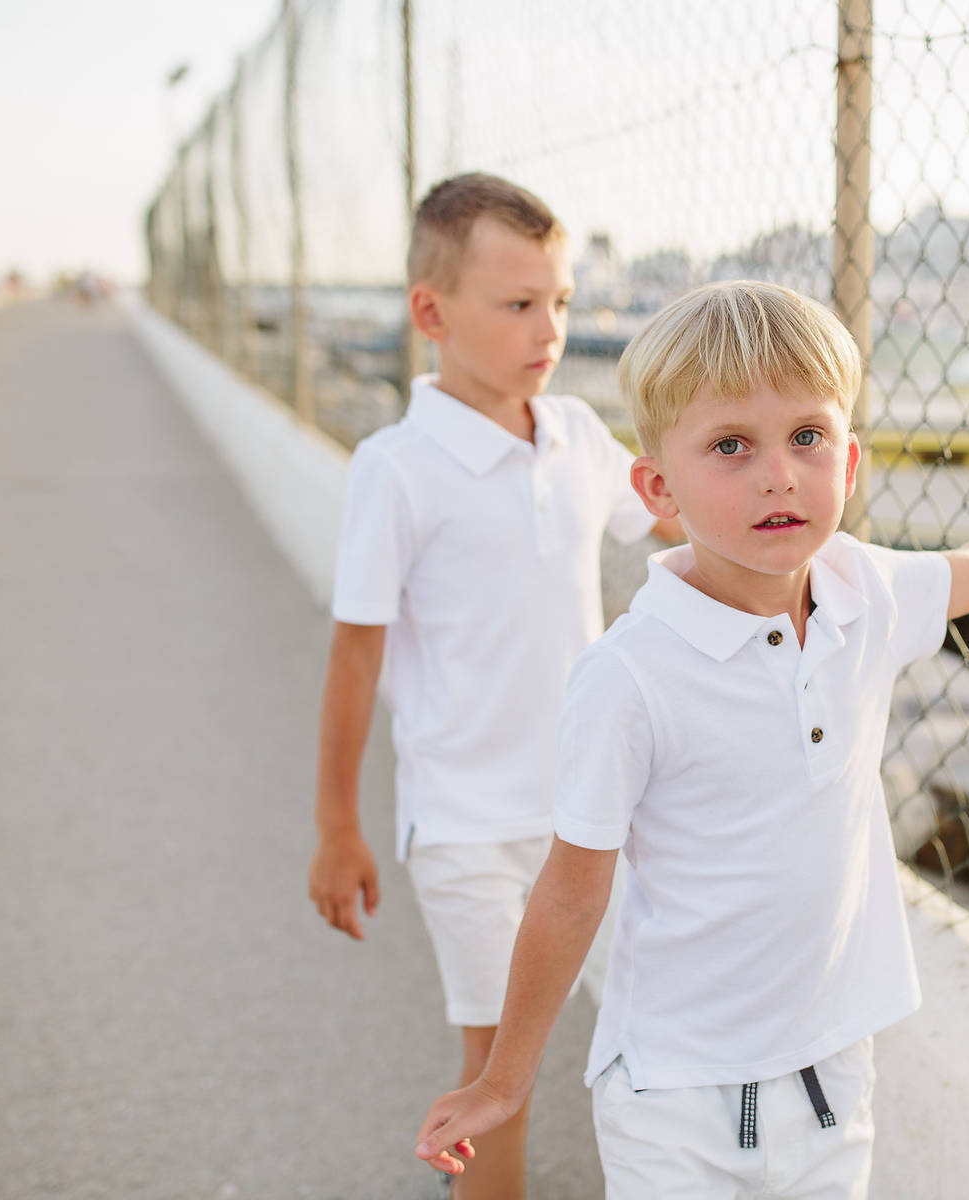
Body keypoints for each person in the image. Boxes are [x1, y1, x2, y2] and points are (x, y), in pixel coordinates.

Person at [413, 279, 969, 1197]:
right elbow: (571, 895)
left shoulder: (867, 592)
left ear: (848, 465)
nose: (779, 473)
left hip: (832, 1076)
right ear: (658, 488)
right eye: (730, 446)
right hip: (676, 1094)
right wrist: (503, 1078)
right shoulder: (628, 676)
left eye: (806, 437)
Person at [307, 173, 677, 1200]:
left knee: (640, 1038)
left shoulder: (578, 439)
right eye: (518, 305)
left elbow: (682, 524)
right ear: (433, 313)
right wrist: (338, 823)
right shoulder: (397, 467)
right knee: (494, 1078)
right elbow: (355, 654)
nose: (548, 328)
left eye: (558, 302)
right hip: (466, 822)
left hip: (593, 816)